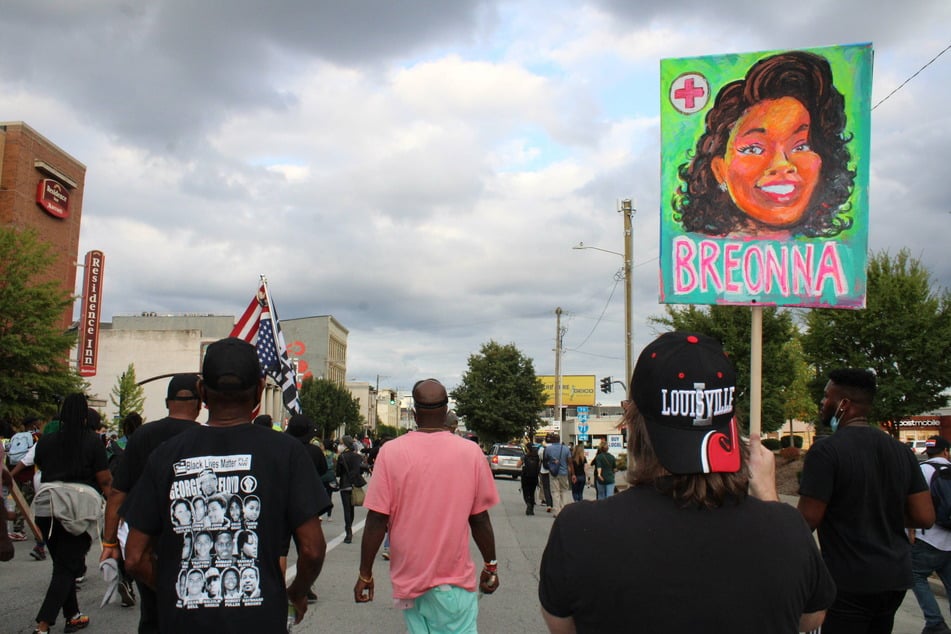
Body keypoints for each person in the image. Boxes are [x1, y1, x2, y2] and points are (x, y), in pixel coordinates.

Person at [539, 331, 836, 632]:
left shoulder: (579, 529)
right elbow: (810, 616)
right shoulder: (785, 527)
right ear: (731, 425)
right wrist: (770, 500)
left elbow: (562, 626)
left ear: (633, 423)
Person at [123, 337, 330, 631]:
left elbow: (134, 556)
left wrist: (174, 589)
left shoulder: (166, 455)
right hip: (259, 621)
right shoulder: (287, 453)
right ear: (260, 390)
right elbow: (312, 549)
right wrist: (296, 592)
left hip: (183, 621)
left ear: (202, 391)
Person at [354, 378, 500, 632]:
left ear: (414, 413)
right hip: (452, 583)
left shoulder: (391, 452)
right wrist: (491, 566)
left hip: (409, 584)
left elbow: (377, 519)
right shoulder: (471, 453)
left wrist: (365, 574)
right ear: (446, 412)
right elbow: (479, 519)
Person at [798, 368, 934, 632]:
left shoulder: (826, 452)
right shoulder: (901, 451)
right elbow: (924, 516)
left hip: (849, 580)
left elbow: (807, 521)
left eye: (827, 397)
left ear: (844, 404)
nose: (822, 403)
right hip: (895, 578)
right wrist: (882, 509)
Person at [673, 50, 855, 238]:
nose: (782, 165)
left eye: (802, 146)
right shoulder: (697, 257)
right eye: (754, 148)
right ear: (720, 170)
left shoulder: (830, 257)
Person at [100, 373, 203, 634]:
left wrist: (110, 542)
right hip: (191, 537)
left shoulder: (143, 435)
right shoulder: (205, 438)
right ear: (199, 404)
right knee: (193, 610)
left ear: (168, 403)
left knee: (151, 612)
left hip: (144, 537)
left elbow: (117, 492)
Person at [32, 393, 113, 634]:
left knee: (62, 564)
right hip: (78, 509)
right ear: (85, 414)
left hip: (46, 507)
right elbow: (105, 479)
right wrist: (117, 507)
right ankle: (43, 625)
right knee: (66, 567)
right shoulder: (92, 442)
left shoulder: (46, 440)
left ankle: (73, 615)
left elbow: (42, 466)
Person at [910, 436, 951, 634]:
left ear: (928, 451)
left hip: (927, 537)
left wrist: (909, 530)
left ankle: (935, 622)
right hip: (949, 540)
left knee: (915, 575)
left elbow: (909, 503)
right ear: (946, 452)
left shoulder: (921, 470)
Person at [336, 434, 367, 544]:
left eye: (341, 443)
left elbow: (338, 472)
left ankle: (348, 531)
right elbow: (361, 471)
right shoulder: (358, 457)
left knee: (346, 509)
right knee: (352, 508)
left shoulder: (342, 456)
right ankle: (350, 529)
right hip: (355, 484)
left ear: (345, 445)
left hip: (345, 484)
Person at [546, 433, 572, 515]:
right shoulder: (566, 449)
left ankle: (556, 511)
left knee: (555, 492)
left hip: (553, 472)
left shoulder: (548, 449)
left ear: (552, 440)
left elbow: (545, 460)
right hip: (563, 472)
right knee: (564, 491)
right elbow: (570, 461)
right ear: (559, 439)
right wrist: (571, 473)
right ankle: (563, 510)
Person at [521, 443, 541, 515]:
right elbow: (539, 466)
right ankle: (531, 509)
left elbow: (518, 465)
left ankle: (528, 503)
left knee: (526, 492)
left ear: (527, 448)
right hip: (534, 477)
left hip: (525, 477)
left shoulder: (525, 456)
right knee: (532, 493)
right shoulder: (537, 457)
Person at [538, 436, 553, 512]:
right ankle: (554, 503)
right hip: (554, 470)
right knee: (553, 488)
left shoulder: (542, 449)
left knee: (545, 488)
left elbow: (540, 458)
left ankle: (548, 504)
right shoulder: (555, 448)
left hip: (544, 470)